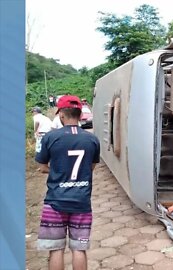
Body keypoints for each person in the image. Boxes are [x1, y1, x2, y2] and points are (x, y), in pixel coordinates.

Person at [35, 95, 100, 270]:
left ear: (61, 115)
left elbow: (42, 167)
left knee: (56, 250)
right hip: (82, 202)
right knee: (79, 249)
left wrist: (57, 171)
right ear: (80, 115)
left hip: (55, 201)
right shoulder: (92, 139)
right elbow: (91, 167)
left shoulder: (50, 137)